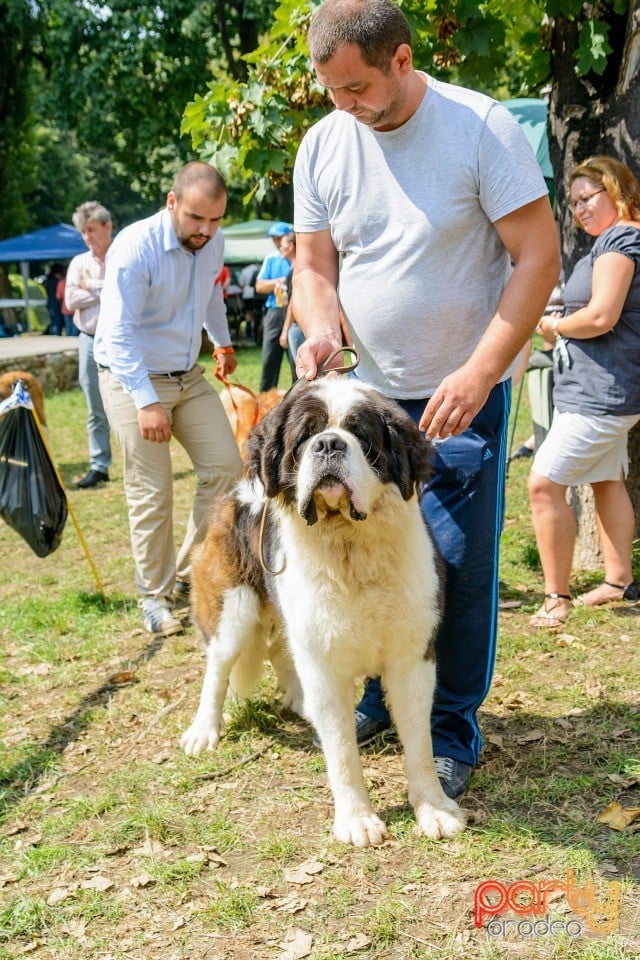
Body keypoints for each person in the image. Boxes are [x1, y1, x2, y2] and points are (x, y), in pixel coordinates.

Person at [292, 0, 560, 800]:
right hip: (364, 399)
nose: (346, 106)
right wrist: (316, 324)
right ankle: (381, 697)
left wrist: (481, 371)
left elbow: (539, 257)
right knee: (364, 553)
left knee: (453, 565)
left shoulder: (479, 128)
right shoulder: (324, 142)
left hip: (461, 392)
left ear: (403, 60)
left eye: (358, 88)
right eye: (331, 91)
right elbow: (313, 265)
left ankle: (450, 732)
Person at [95, 161, 243, 636]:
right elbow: (117, 336)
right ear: (172, 202)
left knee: (227, 469)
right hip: (130, 377)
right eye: (197, 219)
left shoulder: (213, 241)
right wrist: (145, 401)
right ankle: (153, 596)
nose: (206, 231)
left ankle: (186, 572)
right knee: (152, 491)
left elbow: (212, 297)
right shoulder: (135, 248)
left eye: (216, 220)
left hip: (187, 376)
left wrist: (221, 341)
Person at [528, 156, 640, 628]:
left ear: (615, 190)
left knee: (542, 484)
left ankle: (557, 596)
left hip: (602, 395)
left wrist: (553, 324)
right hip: (603, 390)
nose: (579, 209)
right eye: (573, 203)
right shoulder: (615, 240)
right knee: (606, 480)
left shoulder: (621, 239)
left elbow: (601, 316)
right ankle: (618, 581)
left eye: (587, 198)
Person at [65, 202, 114, 489]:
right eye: (83, 232)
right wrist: (104, 289)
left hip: (119, 342)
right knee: (94, 405)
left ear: (108, 226)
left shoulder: (123, 256)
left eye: (92, 230)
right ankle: (99, 465)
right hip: (89, 340)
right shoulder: (78, 263)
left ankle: (136, 464)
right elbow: (70, 301)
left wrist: (91, 286)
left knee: (128, 405)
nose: (88, 237)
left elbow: (125, 293)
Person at [255, 222, 294, 390]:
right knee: (269, 359)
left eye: (280, 239)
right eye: (274, 239)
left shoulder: (298, 258)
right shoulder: (271, 258)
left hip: (294, 313)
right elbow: (259, 286)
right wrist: (279, 282)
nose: (277, 243)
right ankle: (265, 396)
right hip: (274, 311)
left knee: (296, 359)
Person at [278, 232, 305, 375]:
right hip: (299, 326)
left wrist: (285, 330)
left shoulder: (297, 269)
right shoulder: (296, 268)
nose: (279, 248)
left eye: (282, 245)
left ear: (291, 246)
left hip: (297, 327)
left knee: (302, 374)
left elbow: (294, 302)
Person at [43, 263, 64, 335]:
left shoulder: (48, 279)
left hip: (50, 302)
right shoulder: (57, 280)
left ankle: (53, 333)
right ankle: (56, 333)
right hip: (56, 303)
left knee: (53, 320)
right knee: (57, 320)